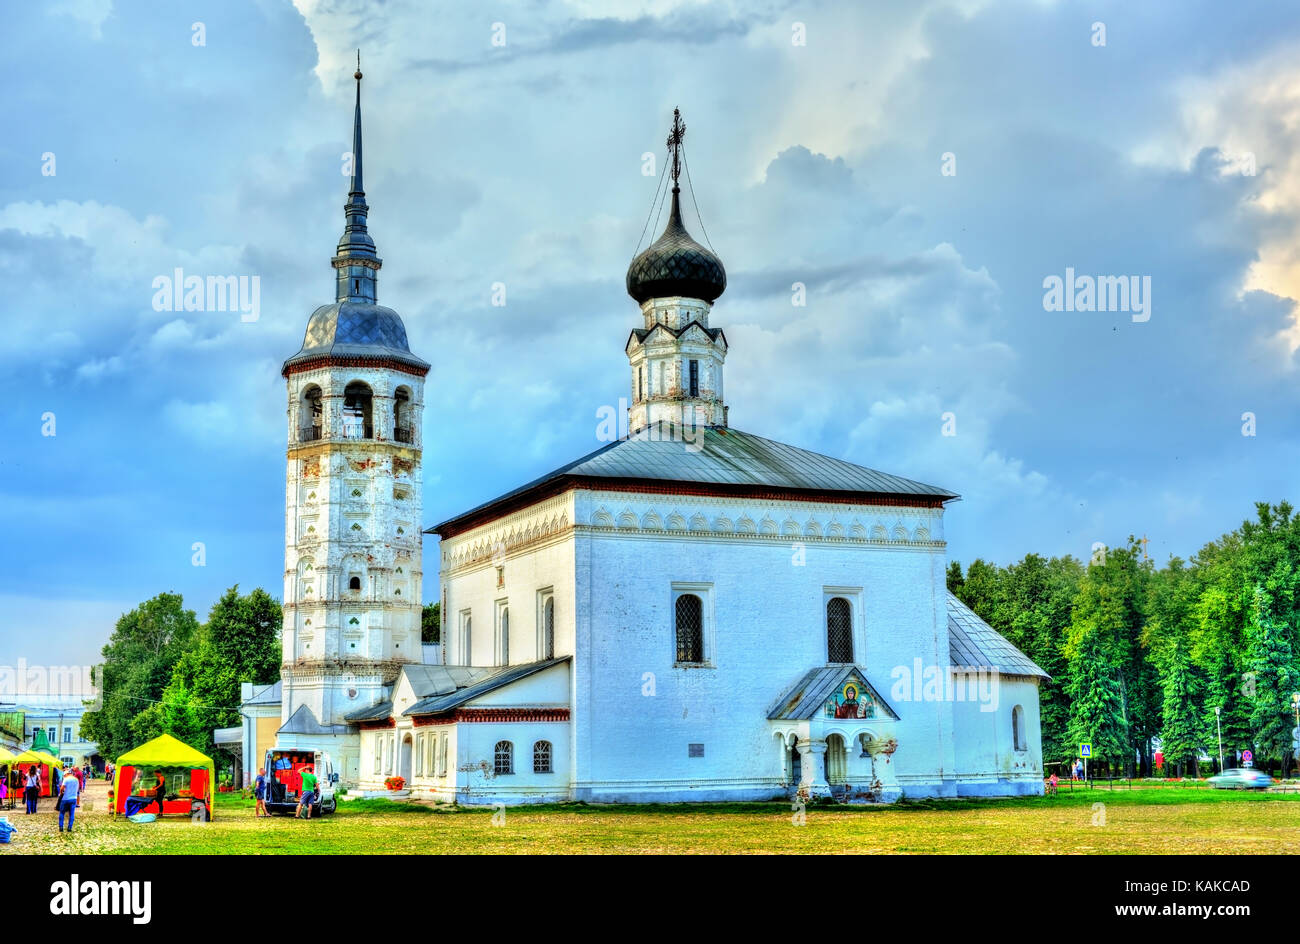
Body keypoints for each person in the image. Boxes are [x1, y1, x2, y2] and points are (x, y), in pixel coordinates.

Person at [57, 763, 80, 832]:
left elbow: (62, 788)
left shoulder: (66, 779)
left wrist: (61, 793)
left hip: (66, 798)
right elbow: (77, 789)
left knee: (62, 813)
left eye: (64, 776)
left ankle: (61, 827)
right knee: (72, 813)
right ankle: (69, 827)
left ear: (66, 774)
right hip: (74, 798)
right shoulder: (76, 779)